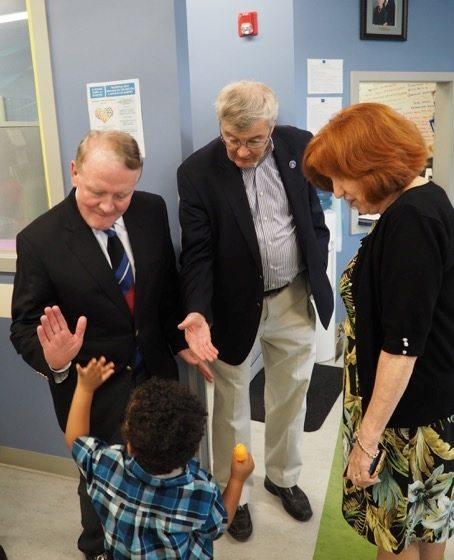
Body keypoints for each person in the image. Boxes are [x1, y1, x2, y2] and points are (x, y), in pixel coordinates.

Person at [10, 130, 206, 560]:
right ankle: (96, 547)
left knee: (163, 470)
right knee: (97, 479)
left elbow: (164, 288)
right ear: (75, 172)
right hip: (91, 389)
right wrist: (52, 359)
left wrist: (179, 339)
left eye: (122, 195)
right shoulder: (39, 240)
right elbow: (23, 324)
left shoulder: (151, 209)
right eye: (97, 192)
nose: (108, 206)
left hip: (155, 376)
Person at [177, 81, 334, 541]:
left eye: (252, 140)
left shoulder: (298, 145)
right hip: (232, 305)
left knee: (292, 393)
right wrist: (199, 312)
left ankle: (283, 477)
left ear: (271, 128)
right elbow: (198, 253)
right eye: (232, 139)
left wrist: (317, 259)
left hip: (292, 294)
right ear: (221, 127)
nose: (241, 151)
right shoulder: (198, 172)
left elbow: (312, 214)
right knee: (231, 403)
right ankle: (235, 492)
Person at [303, 102, 454, 559]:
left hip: (404, 417)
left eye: (340, 178)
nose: (337, 191)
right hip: (431, 402)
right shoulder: (427, 200)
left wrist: (367, 441)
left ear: (371, 162)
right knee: (430, 529)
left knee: (396, 540)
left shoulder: (411, 220)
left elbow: (401, 346)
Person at [65, 357, 255, 559]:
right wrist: (236, 479)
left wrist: (85, 389)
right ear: (190, 449)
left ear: (129, 445)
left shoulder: (108, 465)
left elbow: (76, 440)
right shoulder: (200, 490)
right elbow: (219, 524)